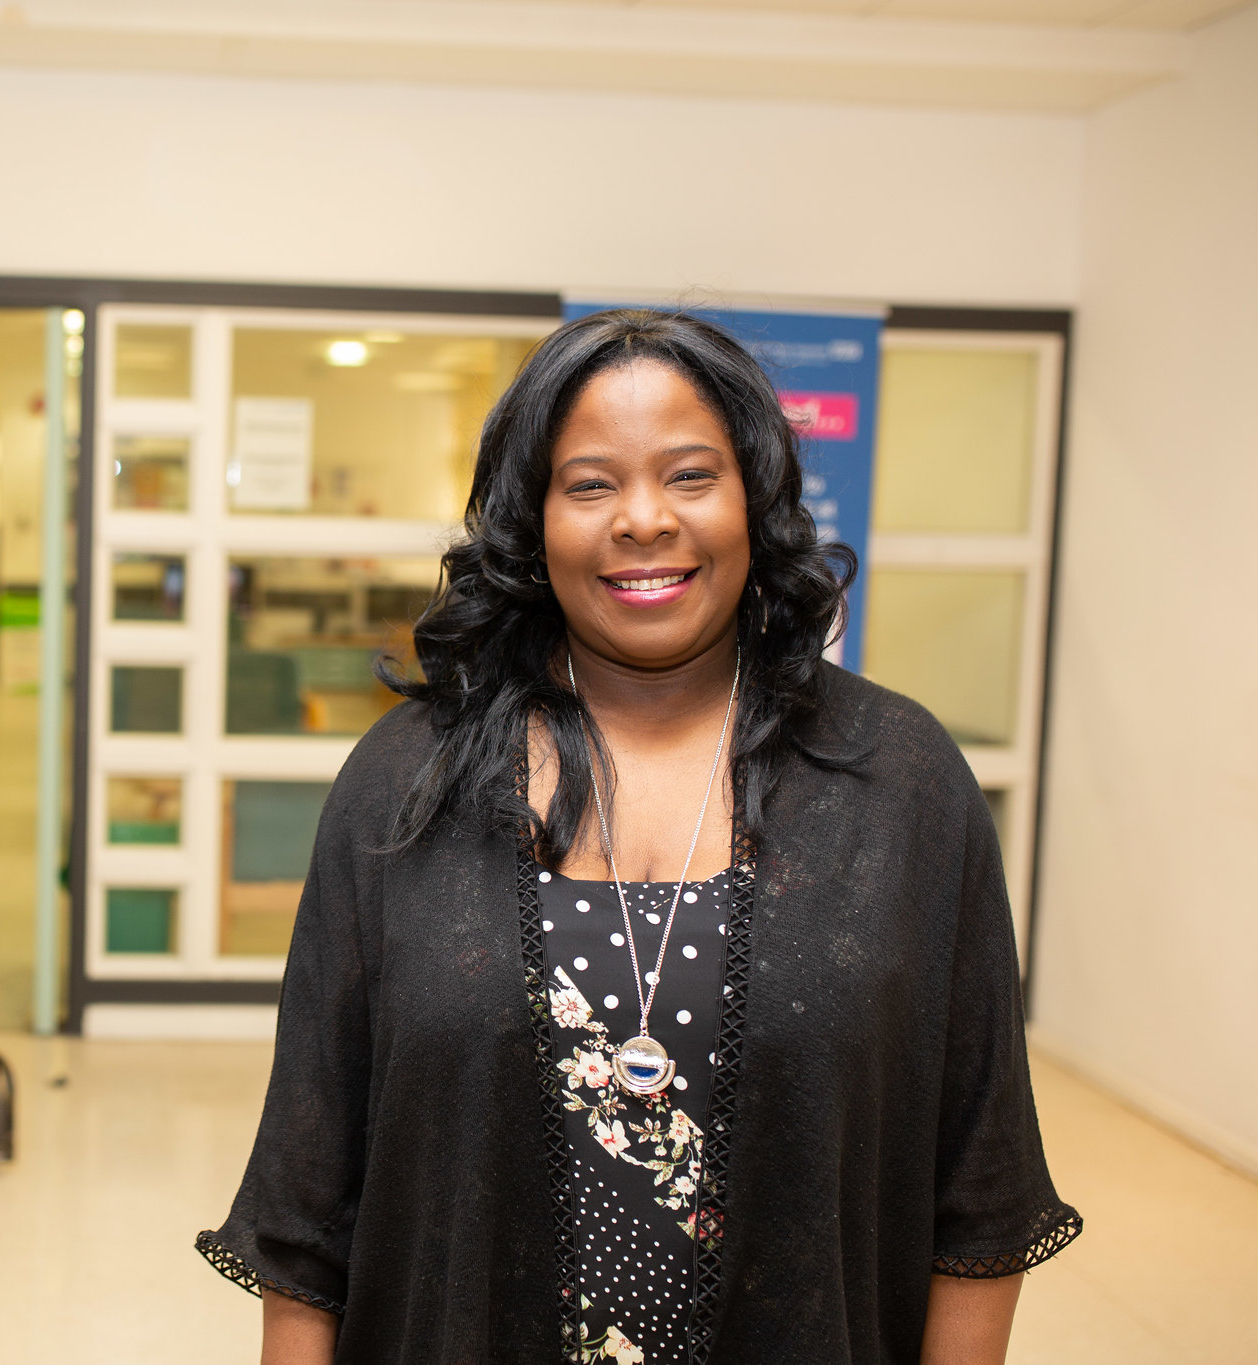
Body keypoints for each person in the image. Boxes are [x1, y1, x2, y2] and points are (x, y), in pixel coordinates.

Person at [197, 309, 1080, 1364]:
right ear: (531, 521)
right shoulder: (404, 784)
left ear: (754, 498)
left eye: (690, 475)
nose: (642, 520)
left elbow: (977, 1192)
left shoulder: (898, 782)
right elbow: (307, 1201)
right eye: (588, 484)